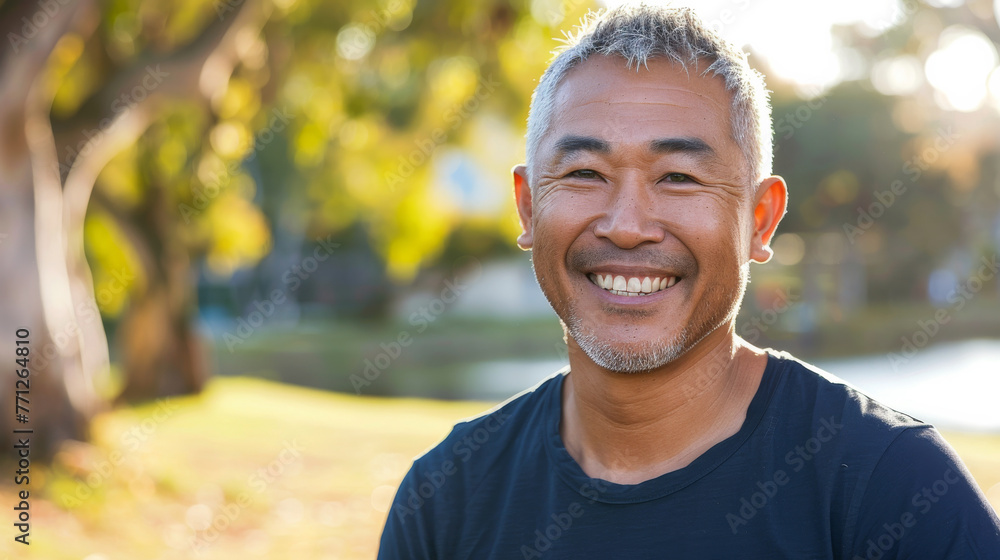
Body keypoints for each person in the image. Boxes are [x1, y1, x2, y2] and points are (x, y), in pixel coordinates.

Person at [377, 5, 1000, 558]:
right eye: (585, 172)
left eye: (678, 177)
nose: (626, 226)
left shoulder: (891, 490)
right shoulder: (444, 502)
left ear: (760, 220)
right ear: (529, 208)